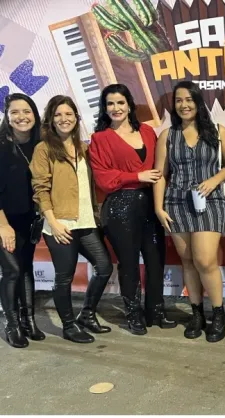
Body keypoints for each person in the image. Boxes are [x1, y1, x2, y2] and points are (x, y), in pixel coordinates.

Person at [89, 84, 176, 335]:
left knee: (155, 259)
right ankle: (133, 314)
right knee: (128, 264)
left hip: (152, 205)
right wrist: (138, 175)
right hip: (120, 207)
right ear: (104, 109)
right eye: (110, 104)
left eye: (120, 102)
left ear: (129, 105)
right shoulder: (100, 138)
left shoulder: (148, 132)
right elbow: (104, 179)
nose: (115, 108)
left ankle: (156, 312)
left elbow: (161, 168)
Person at [153, 81, 225, 343]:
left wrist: (215, 179)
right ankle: (197, 313)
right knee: (187, 260)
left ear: (198, 102)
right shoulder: (167, 135)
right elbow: (160, 175)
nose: (184, 104)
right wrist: (158, 207)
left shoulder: (218, 131)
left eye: (189, 99)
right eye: (178, 100)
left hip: (209, 201)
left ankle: (218, 314)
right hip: (176, 202)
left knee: (205, 260)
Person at [30, 95, 113, 344]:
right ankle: (68, 325)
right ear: (51, 120)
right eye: (58, 115)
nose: (64, 119)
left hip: (87, 223)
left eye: (68, 114)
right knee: (64, 277)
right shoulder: (43, 149)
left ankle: (86, 314)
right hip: (61, 225)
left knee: (104, 267)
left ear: (76, 118)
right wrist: (53, 223)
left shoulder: (85, 148)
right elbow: (40, 189)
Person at [0, 93, 44, 348]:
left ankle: (29, 321)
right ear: (7, 116)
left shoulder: (39, 143)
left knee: (26, 268)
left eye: (26, 111)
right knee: (12, 270)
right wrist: (3, 225)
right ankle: (12, 325)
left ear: (35, 115)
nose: (21, 117)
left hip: (27, 218)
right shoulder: (2, 145)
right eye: (15, 112)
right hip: (3, 220)